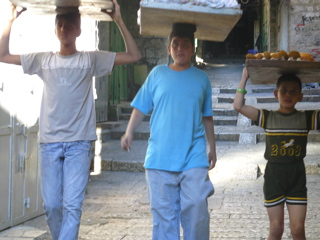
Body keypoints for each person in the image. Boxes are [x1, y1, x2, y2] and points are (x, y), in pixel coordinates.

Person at [0, 1, 141, 239]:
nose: (63, 29)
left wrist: (118, 20)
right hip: (49, 144)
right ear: (55, 29)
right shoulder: (43, 60)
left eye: (69, 25)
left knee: (72, 206)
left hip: (79, 144)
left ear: (79, 30)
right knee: (53, 206)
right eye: (60, 25)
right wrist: (11, 20)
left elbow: (134, 55)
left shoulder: (90, 59)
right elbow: (2, 54)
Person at [120, 22, 216, 240]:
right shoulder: (157, 74)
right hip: (160, 158)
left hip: (194, 155)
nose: (180, 49)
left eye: (185, 45)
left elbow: (207, 116)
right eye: (175, 44)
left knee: (197, 210)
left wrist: (213, 148)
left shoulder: (202, 79)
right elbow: (140, 106)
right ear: (168, 49)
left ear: (192, 49)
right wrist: (129, 132)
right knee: (164, 220)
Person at [234, 67, 320, 240]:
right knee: (276, 229)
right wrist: (244, 78)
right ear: (276, 94)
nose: (288, 95)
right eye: (284, 91)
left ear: (300, 97)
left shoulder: (306, 118)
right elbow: (238, 105)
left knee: (297, 230)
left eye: (293, 92)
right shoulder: (267, 117)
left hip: (296, 177)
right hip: (274, 177)